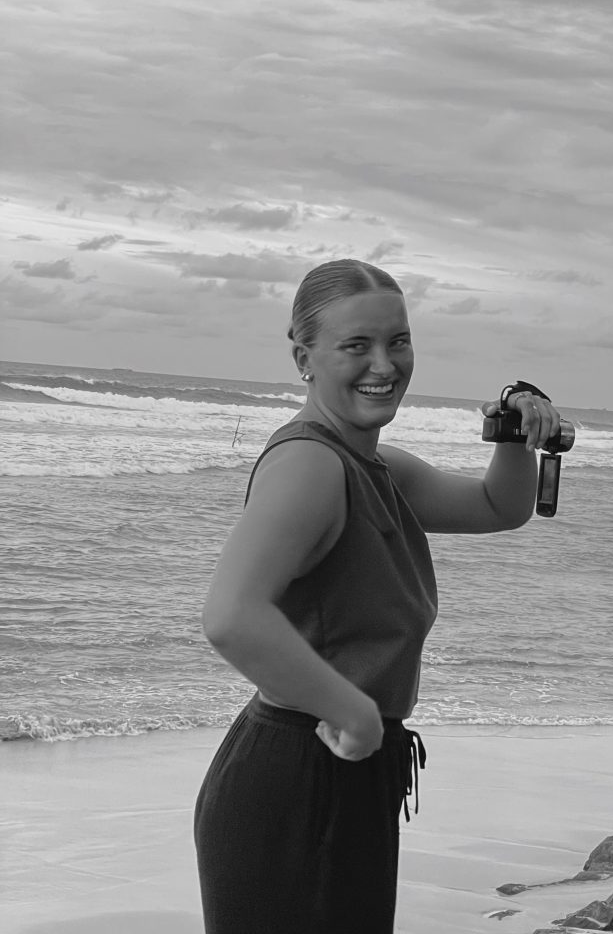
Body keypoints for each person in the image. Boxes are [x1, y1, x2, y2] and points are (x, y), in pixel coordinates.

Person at [194, 259, 562, 934]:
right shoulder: (311, 464)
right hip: (302, 773)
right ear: (304, 358)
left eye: (398, 341)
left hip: (346, 767)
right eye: (356, 346)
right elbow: (231, 616)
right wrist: (356, 713)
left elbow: (495, 506)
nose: (384, 364)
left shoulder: (375, 465)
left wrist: (513, 432)